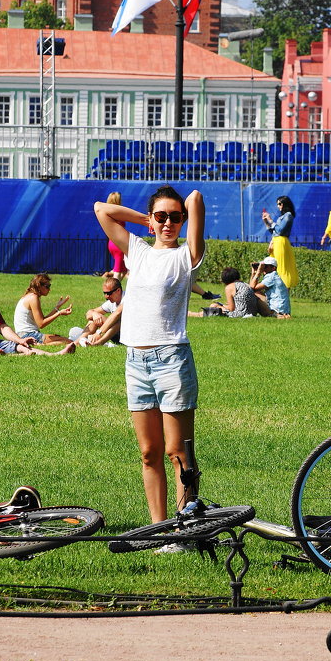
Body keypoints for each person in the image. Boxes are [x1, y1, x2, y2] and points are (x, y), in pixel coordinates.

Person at [94, 185, 206, 526]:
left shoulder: (187, 255)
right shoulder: (138, 251)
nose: (168, 223)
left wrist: (178, 213)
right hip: (136, 361)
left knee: (179, 452)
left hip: (172, 359)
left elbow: (196, 197)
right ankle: (159, 529)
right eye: (161, 217)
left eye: (174, 217)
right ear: (151, 221)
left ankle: (185, 527)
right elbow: (102, 209)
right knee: (149, 453)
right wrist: (147, 219)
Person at [13, 273, 73, 345]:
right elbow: (41, 324)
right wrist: (59, 313)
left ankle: (39, 345)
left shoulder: (29, 296)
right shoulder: (33, 298)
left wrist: (57, 307)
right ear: (39, 286)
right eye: (47, 286)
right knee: (68, 342)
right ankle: (40, 345)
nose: (49, 289)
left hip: (23, 335)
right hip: (28, 335)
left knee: (63, 339)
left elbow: (42, 320)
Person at [190, 267, 270, 318]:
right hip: (251, 313)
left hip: (239, 314)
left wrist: (220, 306)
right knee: (215, 305)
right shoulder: (245, 284)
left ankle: (191, 314)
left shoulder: (230, 287)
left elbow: (231, 308)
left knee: (213, 307)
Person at [71, 275, 125, 347]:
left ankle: (97, 343)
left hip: (129, 336)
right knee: (95, 319)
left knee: (118, 322)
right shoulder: (112, 301)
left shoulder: (127, 298)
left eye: (109, 293)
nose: (106, 297)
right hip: (118, 335)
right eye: (104, 293)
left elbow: (117, 314)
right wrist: (94, 314)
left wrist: (98, 333)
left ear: (118, 291)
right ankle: (77, 342)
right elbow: (88, 314)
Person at [261, 195, 299, 289]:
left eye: (279, 204)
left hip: (281, 243)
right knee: (273, 265)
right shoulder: (282, 217)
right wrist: (266, 222)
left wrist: (270, 220)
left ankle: (284, 288)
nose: (278, 206)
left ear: (284, 204)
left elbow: (280, 230)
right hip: (276, 242)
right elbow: (274, 231)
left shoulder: (288, 215)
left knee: (281, 266)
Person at [102, 192, 127, 279]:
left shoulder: (107, 214)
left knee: (123, 270)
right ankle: (112, 289)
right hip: (118, 244)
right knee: (118, 272)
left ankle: (117, 289)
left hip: (112, 243)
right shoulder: (118, 213)